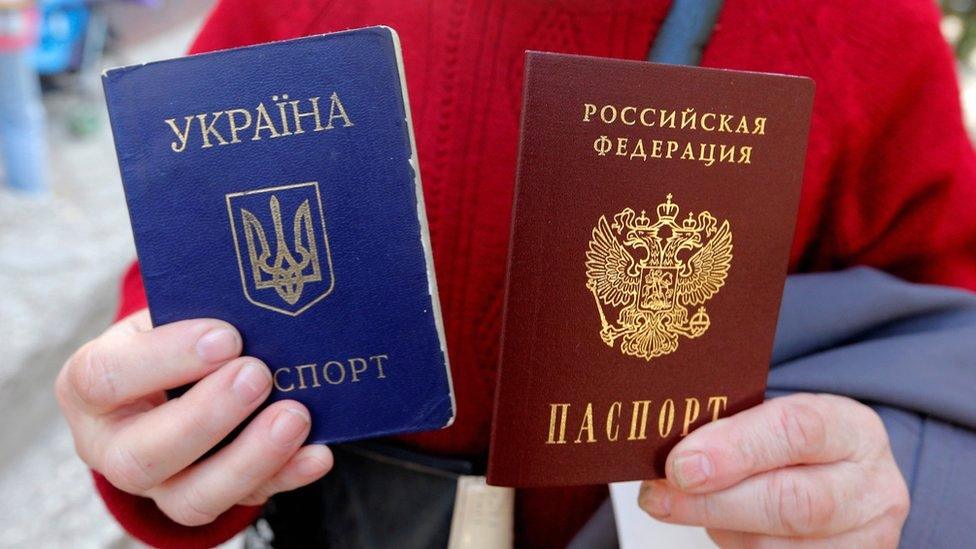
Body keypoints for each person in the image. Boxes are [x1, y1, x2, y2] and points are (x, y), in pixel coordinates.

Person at [54, 0, 976, 547]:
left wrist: (879, 472)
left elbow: (945, 331)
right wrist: (159, 422)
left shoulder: (863, 21)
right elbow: (191, 256)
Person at [0, 0, 47, 195]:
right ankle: (27, 185)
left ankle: (27, 184)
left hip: (10, 31)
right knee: (17, 113)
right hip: (9, 30)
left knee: (15, 112)